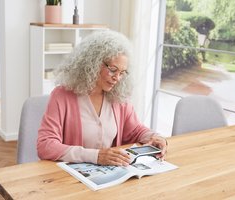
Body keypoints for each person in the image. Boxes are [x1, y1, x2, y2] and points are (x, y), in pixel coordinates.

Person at [37, 30, 167, 166]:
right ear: (93, 62)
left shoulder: (118, 96)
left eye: (122, 73)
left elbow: (135, 130)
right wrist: (95, 156)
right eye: (112, 69)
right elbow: (45, 145)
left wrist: (156, 137)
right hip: (70, 177)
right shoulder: (62, 95)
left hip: (110, 174)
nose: (117, 78)